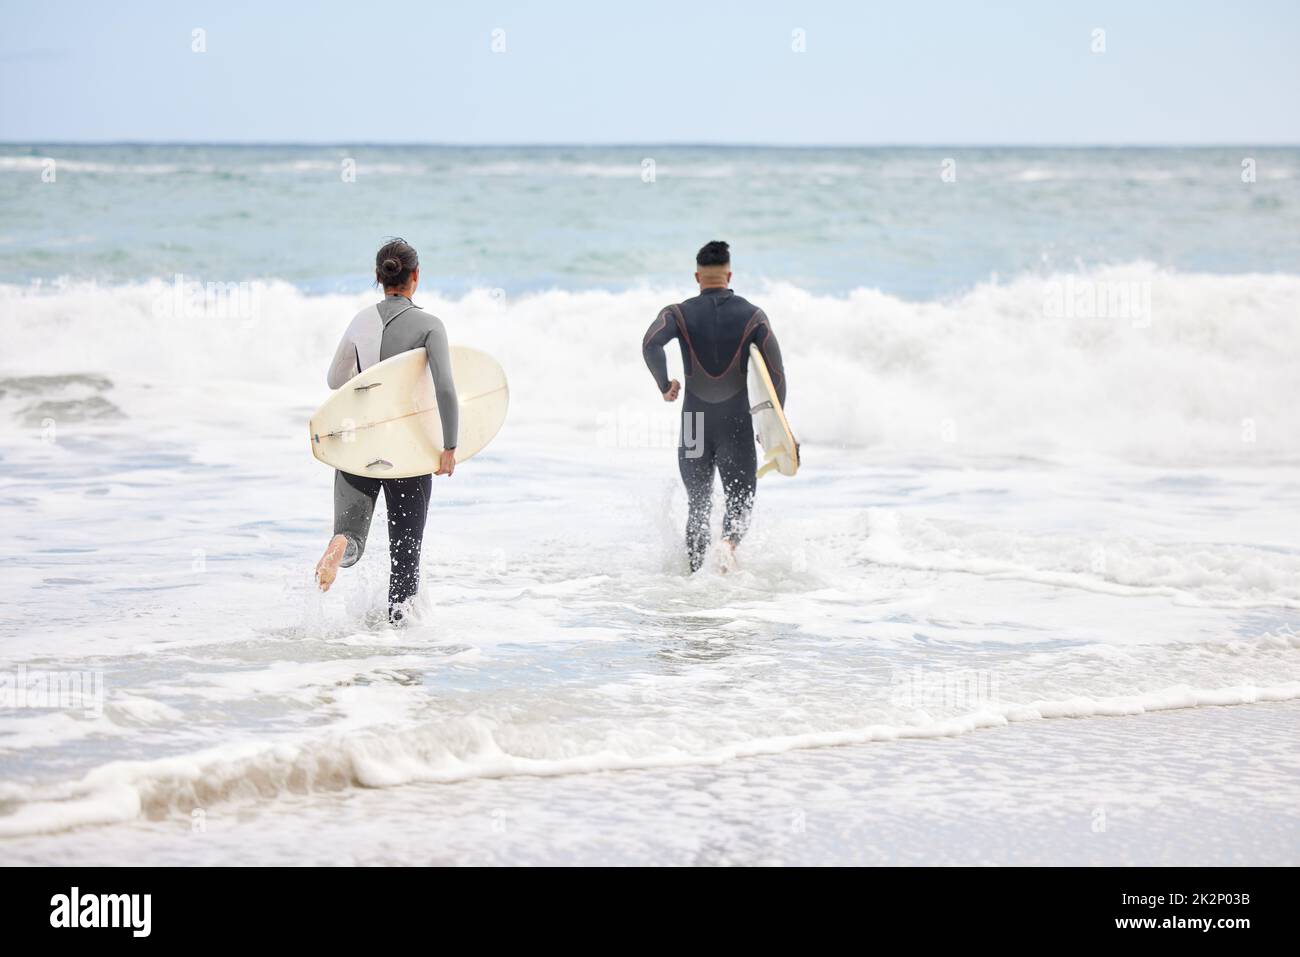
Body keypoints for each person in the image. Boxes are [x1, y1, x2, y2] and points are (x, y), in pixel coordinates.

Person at [313, 238, 458, 622]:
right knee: (405, 560)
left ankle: (338, 545)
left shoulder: (360, 321)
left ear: (378, 277)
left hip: (358, 445)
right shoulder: (430, 325)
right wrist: (449, 446)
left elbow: (335, 380)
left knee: (353, 538)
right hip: (406, 452)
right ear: (416, 277)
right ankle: (399, 652)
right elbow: (445, 387)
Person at [642, 240, 787, 572]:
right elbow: (776, 374)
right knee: (739, 504)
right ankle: (728, 546)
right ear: (729, 274)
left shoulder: (676, 313)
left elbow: (650, 343)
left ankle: (693, 584)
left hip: (694, 421)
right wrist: (773, 426)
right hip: (736, 423)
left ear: (697, 277)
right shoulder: (753, 316)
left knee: (698, 504)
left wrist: (665, 385)